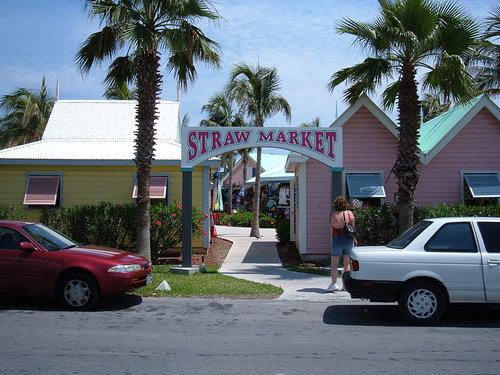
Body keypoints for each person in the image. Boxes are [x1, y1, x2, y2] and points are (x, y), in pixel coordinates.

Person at [325, 196, 357, 292]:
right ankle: (345, 285)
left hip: (337, 239)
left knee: (334, 264)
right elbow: (353, 228)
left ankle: (334, 284)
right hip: (348, 239)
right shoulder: (349, 213)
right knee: (347, 263)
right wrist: (355, 239)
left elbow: (332, 228)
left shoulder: (332, 215)